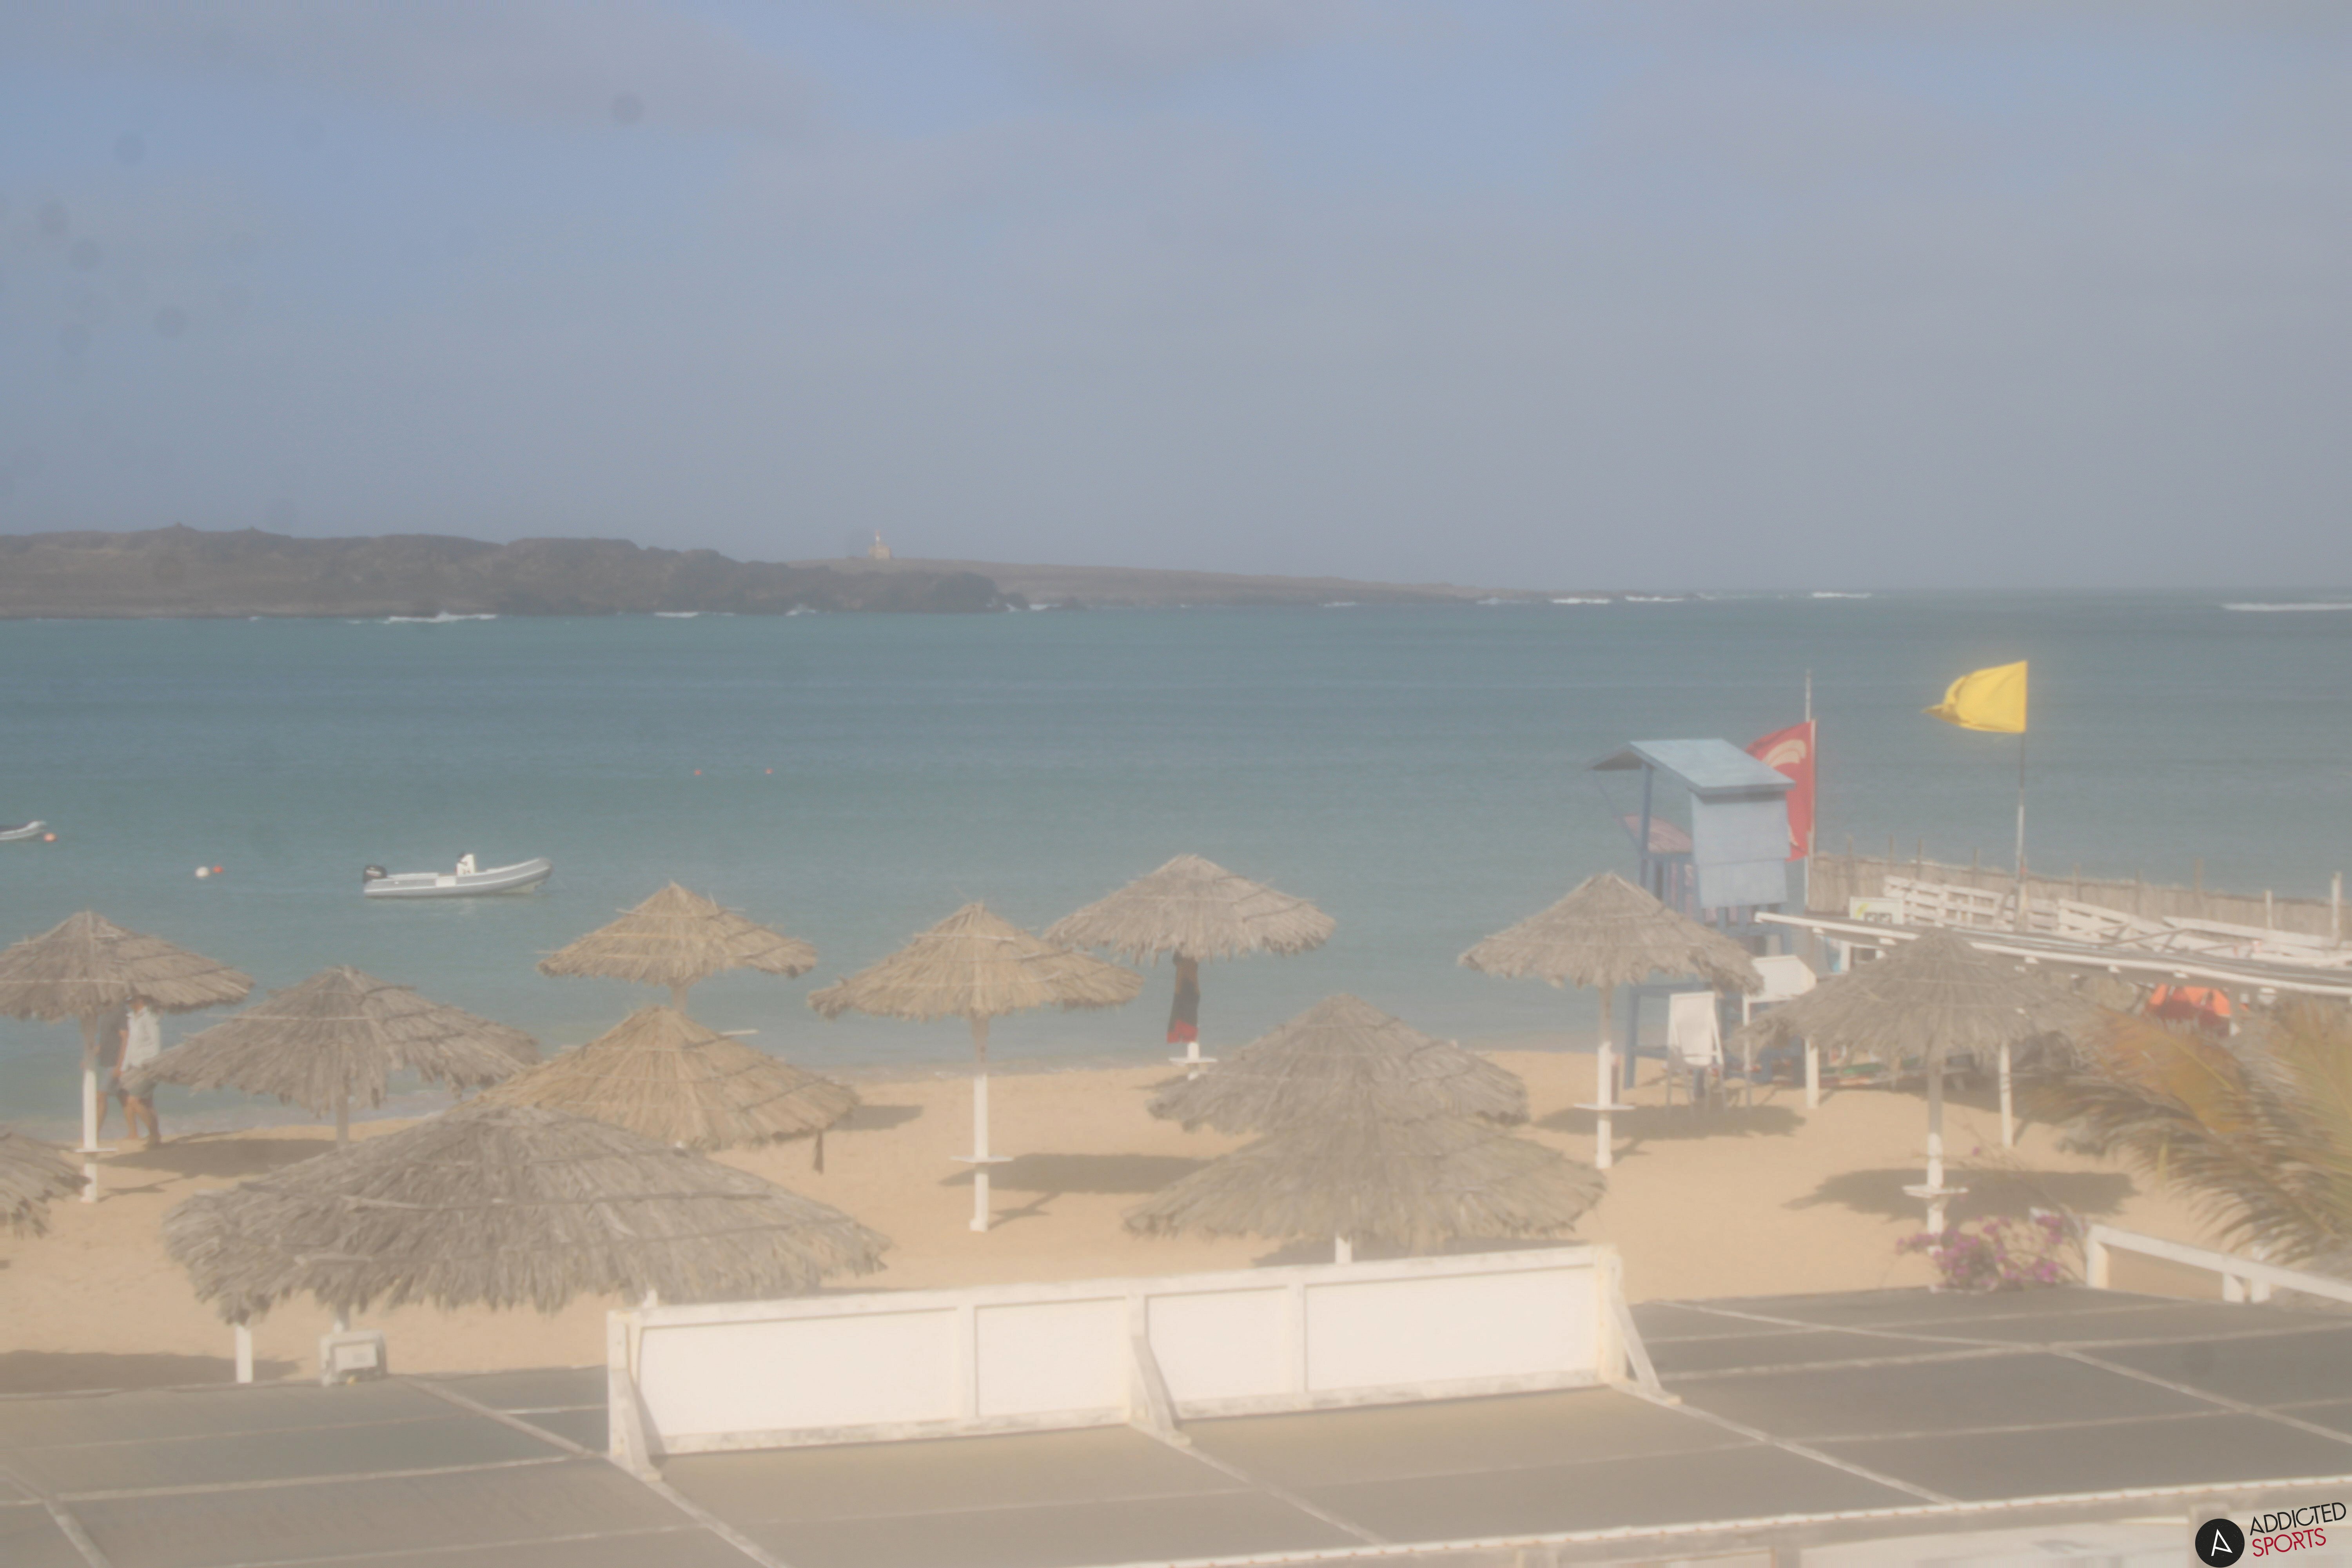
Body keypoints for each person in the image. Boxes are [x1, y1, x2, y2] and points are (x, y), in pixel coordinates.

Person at [116, 995, 164, 1148]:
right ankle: (155, 1136)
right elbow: (130, 1045)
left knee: (134, 1101)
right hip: (134, 1066)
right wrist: (124, 1068)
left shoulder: (149, 1017)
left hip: (148, 1066)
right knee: (146, 1102)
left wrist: (151, 1065)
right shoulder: (131, 1018)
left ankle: (154, 1135)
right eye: (128, 1001)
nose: (129, 1004)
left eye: (131, 1001)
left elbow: (155, 1044)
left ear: (140, 1000)